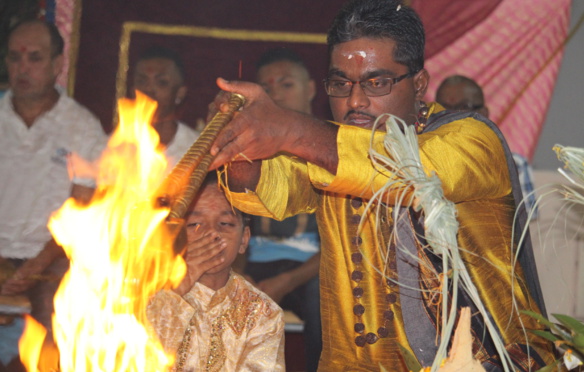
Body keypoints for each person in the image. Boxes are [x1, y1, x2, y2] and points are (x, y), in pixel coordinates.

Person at [206, 0, 554, 370]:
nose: (355, 101)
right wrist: (238, 144)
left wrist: (290, 128)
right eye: (340, 83)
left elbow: (408, 173)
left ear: (419, 84)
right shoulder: (333, 147)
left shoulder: (471, 139)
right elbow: (275, 188)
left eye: (377, 82)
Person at [0, 18, 107, 366]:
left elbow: (86, 214)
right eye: (14, 58)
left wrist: (37, 262)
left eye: (34, 58)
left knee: (62, 298)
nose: (22, 68)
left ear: (57, 64)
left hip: (52, 258)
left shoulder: (83, 128)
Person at [146, 172, 285, 371]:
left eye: (225, 224)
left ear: (244, 239)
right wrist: (175, 291)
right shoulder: (144, 296)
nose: (211, 234)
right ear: (176, 237)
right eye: (195, 224)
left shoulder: (263, 313)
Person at [237, 47, 322, 372]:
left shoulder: (334, 148)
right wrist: (238, 274)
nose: (276, 95)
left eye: (286, 84)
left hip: (309, 270)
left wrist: (284, 282)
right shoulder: (249, 150)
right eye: (267, 88)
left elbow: (339, 246)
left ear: (311, 89)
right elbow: (236, 226)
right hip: (257, 264)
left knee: (324, 294)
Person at [435, 74, 538, 218]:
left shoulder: (515, 165)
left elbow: (528, 230)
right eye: (444, 107)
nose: (453, 115)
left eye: (464, 106)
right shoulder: (422, 163)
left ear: (483, 114)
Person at [132, 45, 199, 168]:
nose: (149, 89)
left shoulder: (197, 150)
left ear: (180, 93)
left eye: (161, 83)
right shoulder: (115, 145)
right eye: (142, 81)